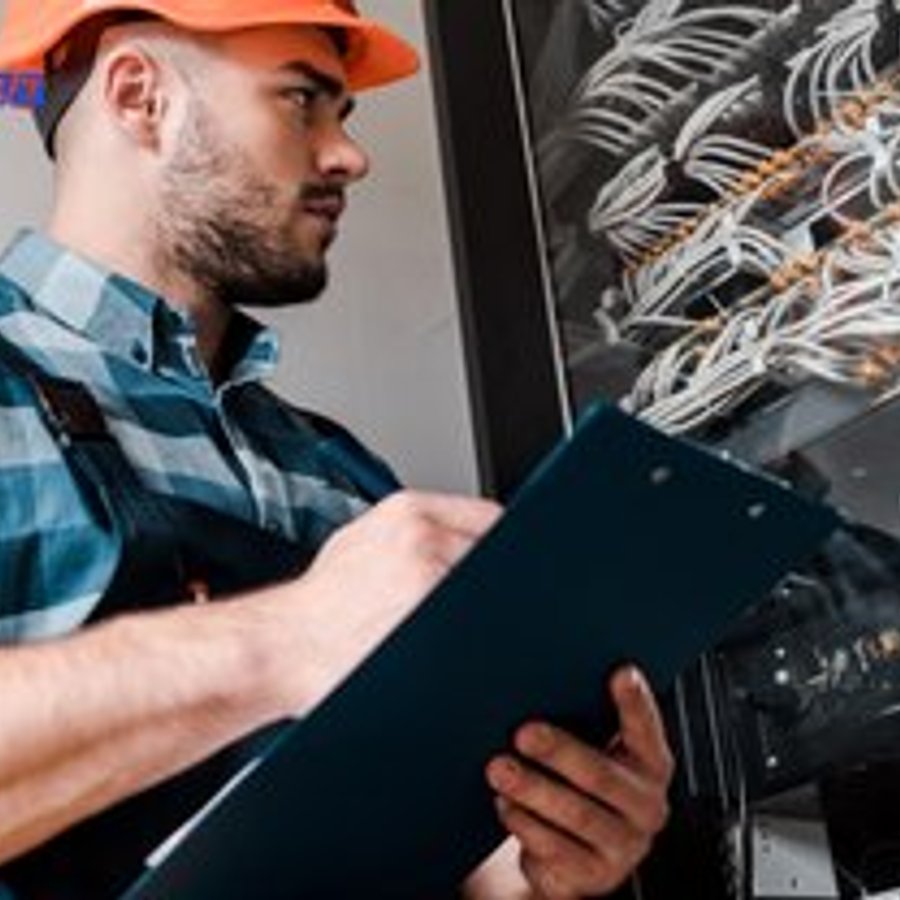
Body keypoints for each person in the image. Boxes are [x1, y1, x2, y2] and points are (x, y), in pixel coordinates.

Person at [0, 2, 674, 897]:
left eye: (342, 114)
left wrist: (546, 854)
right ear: (140, 98)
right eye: (301, 100)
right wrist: (283, 641)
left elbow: (445, 851)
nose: (349, 154)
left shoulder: (340, 474)